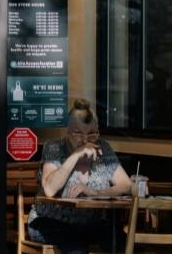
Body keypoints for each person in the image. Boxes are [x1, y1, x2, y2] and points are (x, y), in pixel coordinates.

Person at [27, 98, 133, 254]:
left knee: (121, 242)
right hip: (50, 222)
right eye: (78, 133)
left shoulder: (103, 147)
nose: (85, 139)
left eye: (91, 134)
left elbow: (126, 185)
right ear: (68, 131)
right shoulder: (55, 147)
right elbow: (50, 188)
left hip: (89, 224)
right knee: (77, 247)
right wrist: (76, 155)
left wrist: (95, 193)